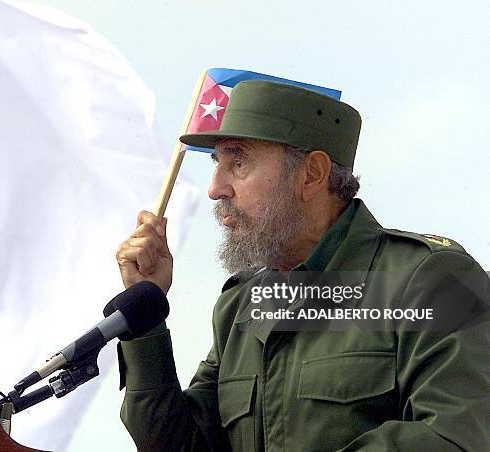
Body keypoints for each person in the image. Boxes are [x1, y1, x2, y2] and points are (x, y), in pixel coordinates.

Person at [114, 80, 490, 451]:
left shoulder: (435, 280)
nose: (216, 188)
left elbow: (457, 436)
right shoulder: (242, 305)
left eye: (239, 162)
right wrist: (145, 317)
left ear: (310, 174)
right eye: (218, 164)